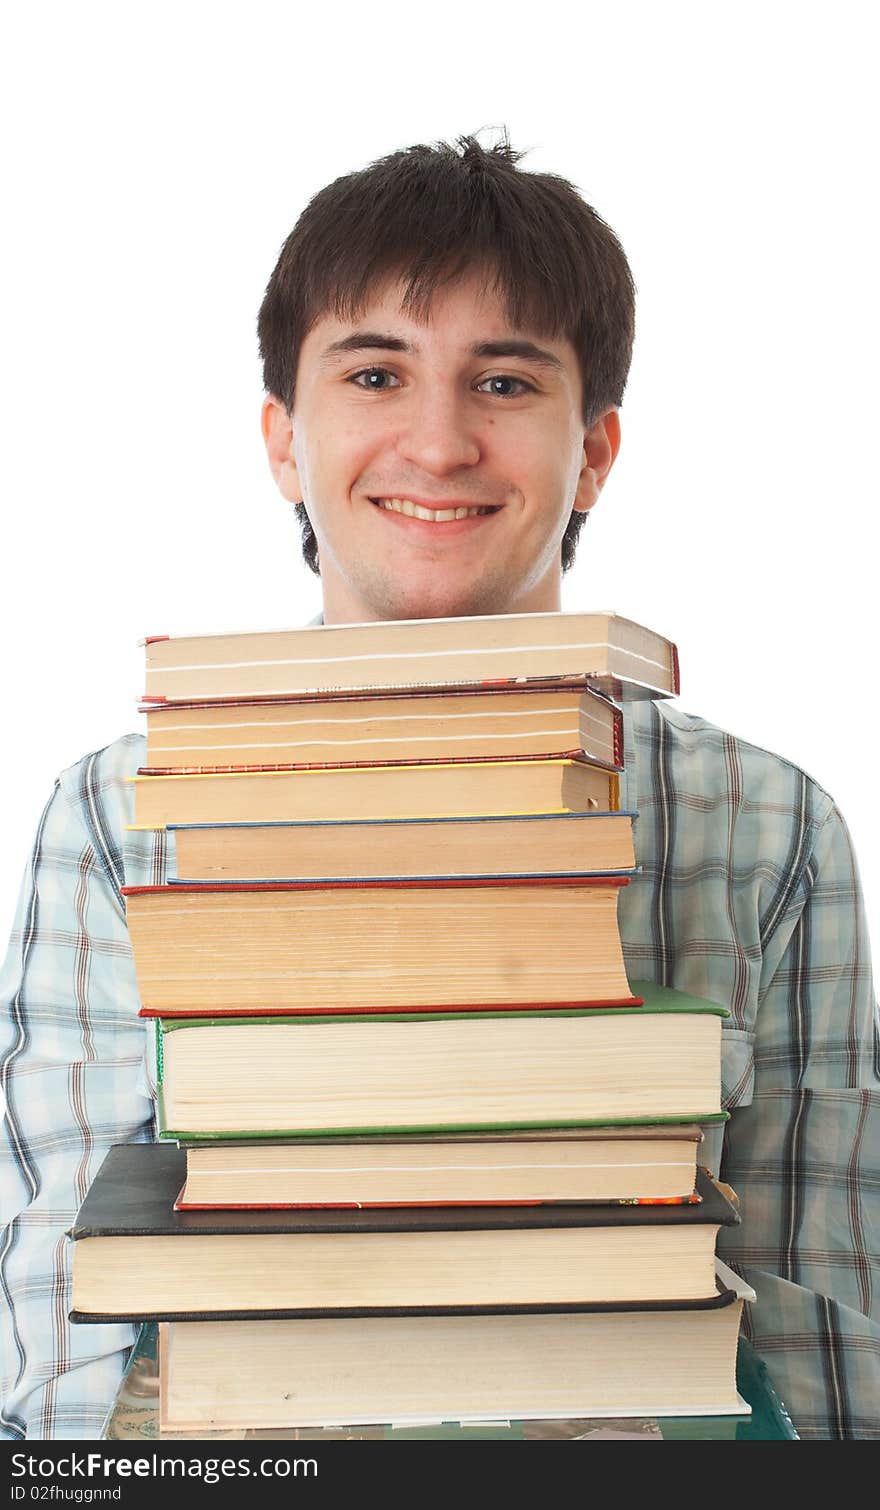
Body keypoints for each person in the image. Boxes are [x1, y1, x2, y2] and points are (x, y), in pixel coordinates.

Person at [1, 134, 877, 1441]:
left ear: (593, 453)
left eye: (505, 379)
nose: (439, 440)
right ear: (284, 441)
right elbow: (53, 1354)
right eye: (375, 371)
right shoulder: (116, 817)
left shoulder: (771, 826)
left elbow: (825, 1351)